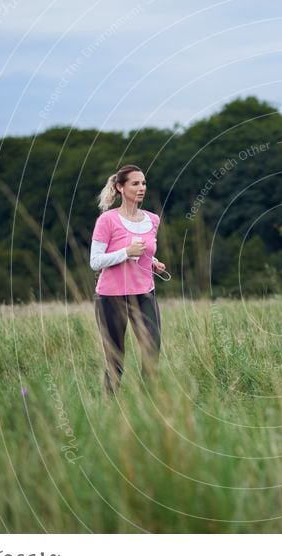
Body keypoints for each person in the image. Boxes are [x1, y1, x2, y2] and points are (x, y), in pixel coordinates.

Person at [90, 164, 167, 393]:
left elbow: (144, 251)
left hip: (144, 294)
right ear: (120, 187)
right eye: (135, 183)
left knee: (152, 353)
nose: (141, 187)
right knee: (116, 362)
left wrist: (153, 263)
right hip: (111, 299)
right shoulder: (107, 220)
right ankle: (109, 408)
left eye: (143, 183)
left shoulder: (153, 220)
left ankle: (150, 407)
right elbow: (95, 261)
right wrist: (126, 253)